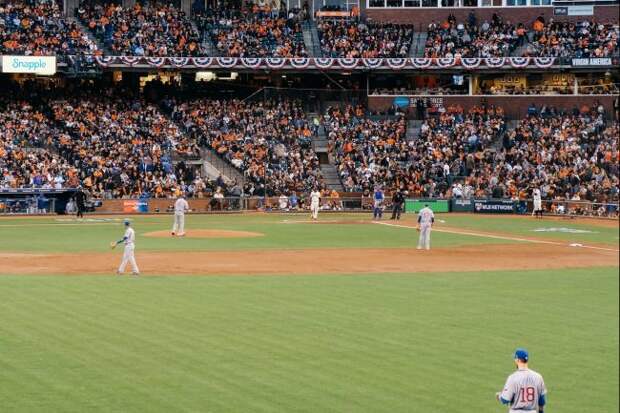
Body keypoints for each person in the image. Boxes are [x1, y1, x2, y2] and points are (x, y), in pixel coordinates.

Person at [496, 348, 547, 413]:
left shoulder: (513, 378)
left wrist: (499, 396)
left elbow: (505, 400)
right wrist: (541, 411)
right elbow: (542, 400)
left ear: (518, 360)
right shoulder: (538, 377)